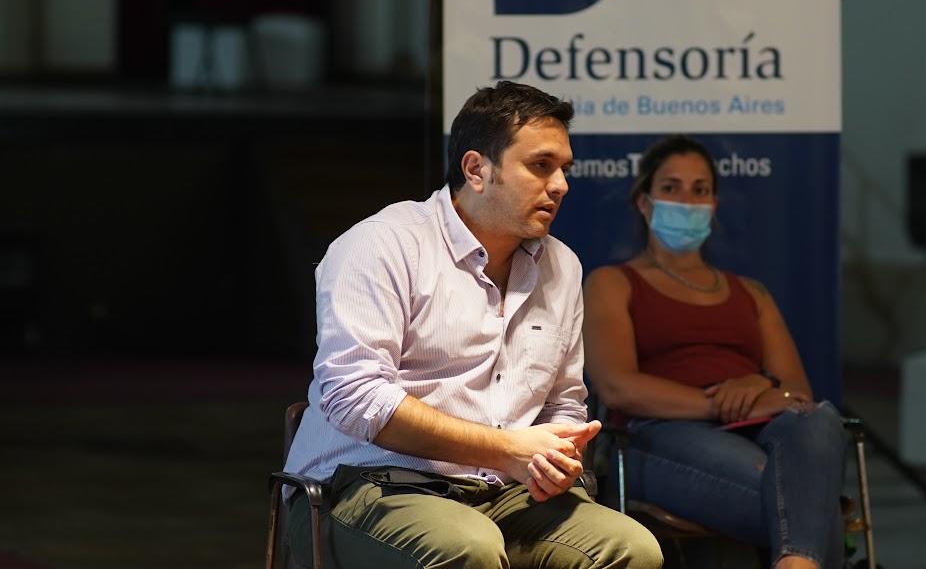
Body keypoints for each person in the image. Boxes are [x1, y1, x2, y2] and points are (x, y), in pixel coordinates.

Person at [282, 80, 663, 569]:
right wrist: (507, 450)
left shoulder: (562, 265)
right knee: (468, 547)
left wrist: (555, 457)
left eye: (564, 169)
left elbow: (562, 403)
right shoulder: (383, 244)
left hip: (506, 494)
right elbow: (355, 397)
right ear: (476, 169)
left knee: (632, 550)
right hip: (364, 485)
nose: (561, 185)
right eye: (541, 165)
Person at [582, 135, 847, 569]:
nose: (687, 201)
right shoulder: (612, 282)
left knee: (818, 419)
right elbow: (617, 387)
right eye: (671, 188)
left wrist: (759, 384)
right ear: (644, 202)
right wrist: (721, 404)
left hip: (759, 426)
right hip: (660, 434)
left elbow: (796, 391)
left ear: (714, 204)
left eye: (700, 189)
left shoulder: (752, 293)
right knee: (808, 498)